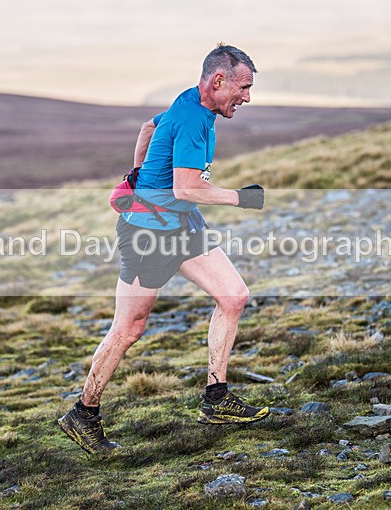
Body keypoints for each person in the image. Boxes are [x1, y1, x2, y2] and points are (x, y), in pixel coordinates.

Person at [57, 44, 268, 454]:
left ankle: (216, 398)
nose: (247, 97)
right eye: (243, 87)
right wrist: (242, 198)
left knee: (233, 296)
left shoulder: (190, 101)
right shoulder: (193, 118)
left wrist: (139, 175)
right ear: (218, 80)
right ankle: (83, 414)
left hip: (182, 227)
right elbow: (186, 187)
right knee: (129, 329)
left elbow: (147, 129)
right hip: (148, 236)